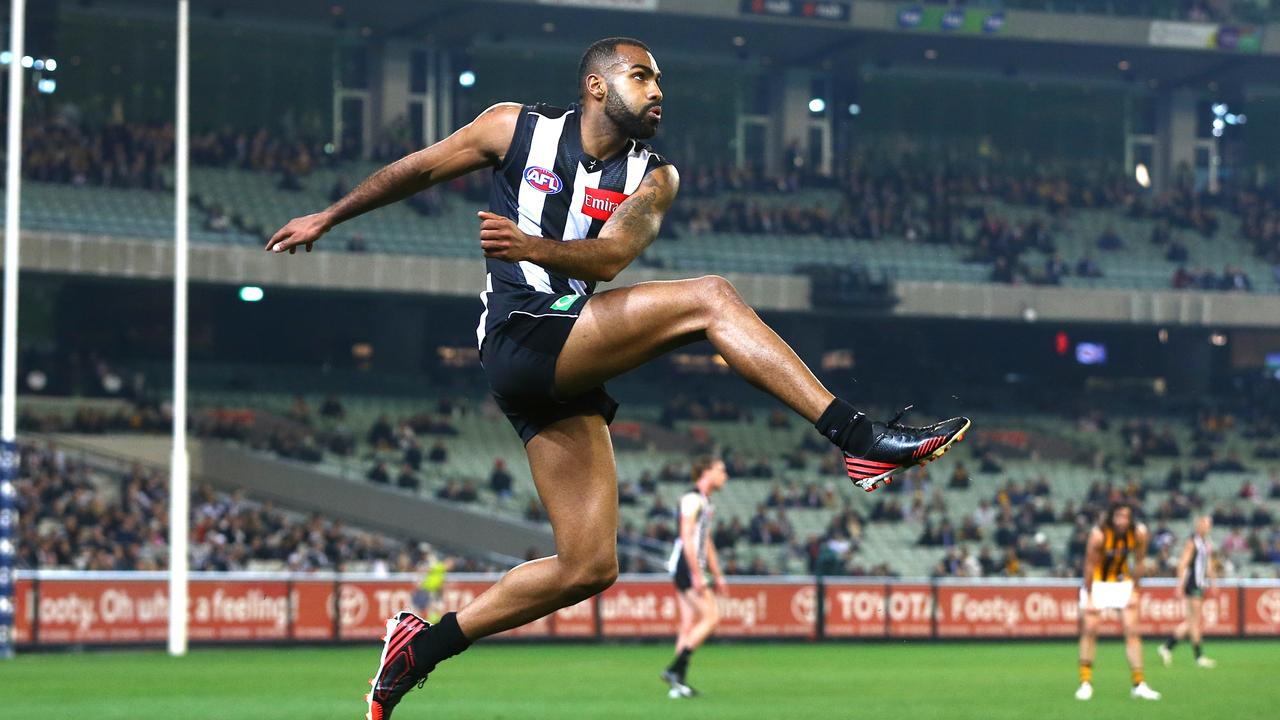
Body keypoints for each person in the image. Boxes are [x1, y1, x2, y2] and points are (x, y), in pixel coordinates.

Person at [266, 37, 970, 719]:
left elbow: (610, 260)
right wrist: (329, 215)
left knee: (588, 565)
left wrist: (530, 244)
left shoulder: (654, 175)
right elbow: (418, 168)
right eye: (642, 76)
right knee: (711, 299)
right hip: (519, 339)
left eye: (660, 80)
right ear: (597, 84)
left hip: (566, 352)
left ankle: (422, 648)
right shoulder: (516, 127)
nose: (658, 90)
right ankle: (858, 438)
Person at [1075, 502, 1161, 701]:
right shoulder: (1099, 535)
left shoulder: (1138, 533)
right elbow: (1089, 565)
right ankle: (1085, 682)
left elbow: (1139, 562)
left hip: (1122, 582)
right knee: (1090, 630)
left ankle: (1139, 684)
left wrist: (1135, 590)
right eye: (1118, 516)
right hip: (1097, 582)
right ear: (1111, 517)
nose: (1122, 521)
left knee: (1132, 631)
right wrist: (1088, 596)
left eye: (1126, 516)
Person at [661, 456, 728, 698]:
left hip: (687, 567)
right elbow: (686, 537)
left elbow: (705, 541)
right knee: (711, 617)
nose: (725, 476)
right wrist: (698, 575)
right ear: (706, 472)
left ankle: (677, 684)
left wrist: (718, 574)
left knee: (688, 624)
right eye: (721, 470)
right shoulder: (691, 500)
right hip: (686, 567)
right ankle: (674, 669)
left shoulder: (704, 502)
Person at [1158, 515, 1217, 669]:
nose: (1208, 527)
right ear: (1199, 525)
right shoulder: (1193, 542)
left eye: (1209, 524)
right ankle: (1198, 657)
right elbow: (1183, 563)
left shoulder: (1206, 543)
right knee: (1194, 622)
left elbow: (1208, 564)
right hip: (1193, 584)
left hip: (1200, 584)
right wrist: (1179, 585)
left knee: (1192, 622)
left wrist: (1213, 581)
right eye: (1205, 524)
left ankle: (1167, 647)